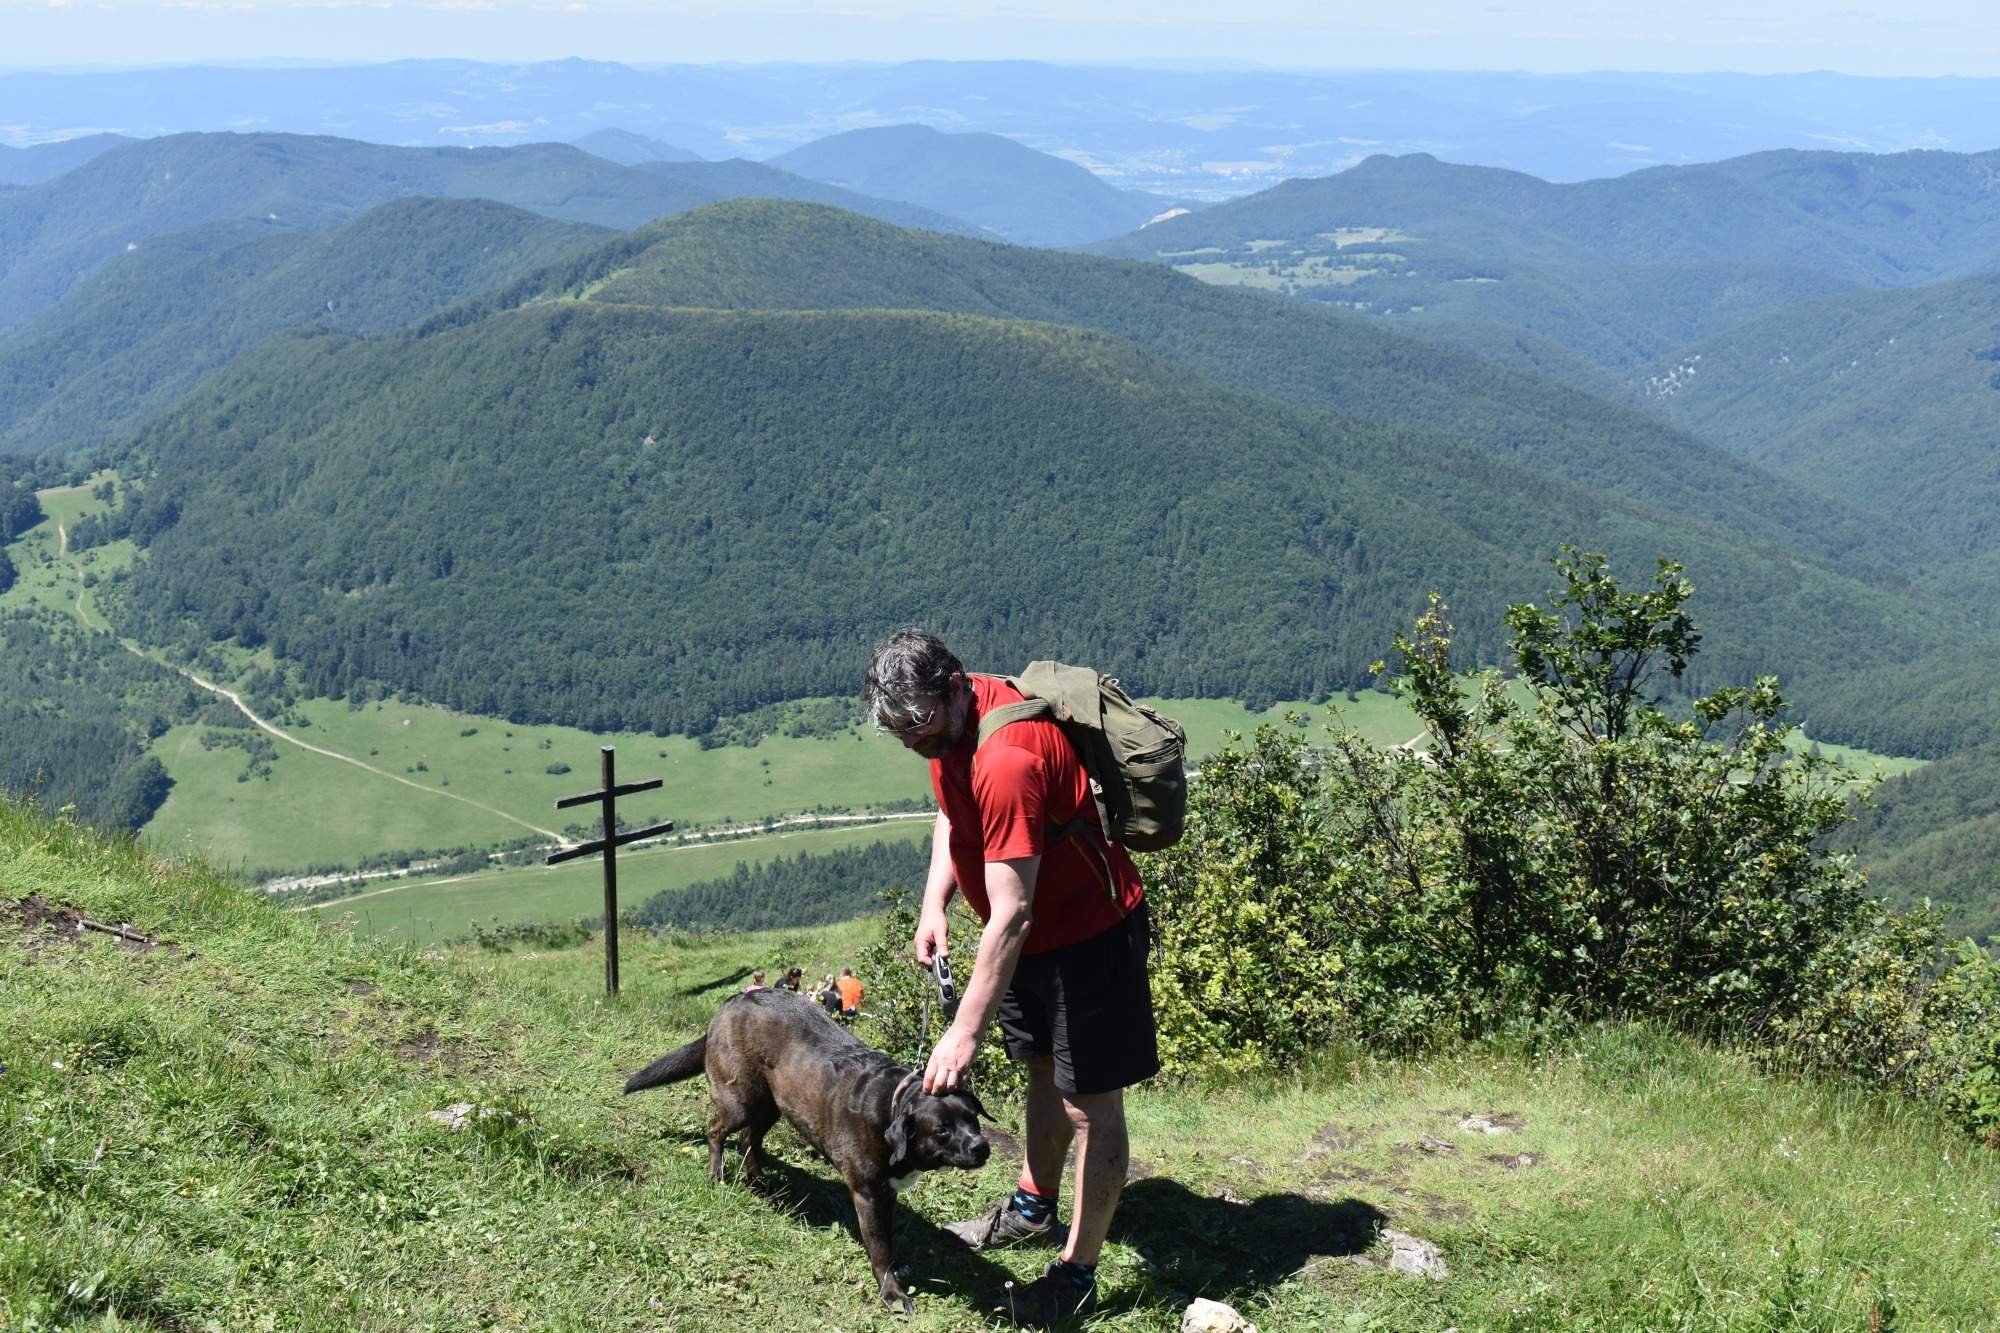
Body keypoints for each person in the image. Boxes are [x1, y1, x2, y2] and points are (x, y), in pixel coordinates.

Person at [863, 628, 1158, 1328]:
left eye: (919, 722)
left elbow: (1011, 916)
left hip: (1089, 937)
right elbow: (952, 814)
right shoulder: (954, 729)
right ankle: (1033, 1205)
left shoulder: (1007, 759)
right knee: (1038, 1072)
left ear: (954, 684)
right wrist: (935, 901)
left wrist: (964, 1032)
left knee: (1091, 1105)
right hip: (1035, 943)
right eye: (899, 729)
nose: (912, 740)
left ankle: (1077, 1276)